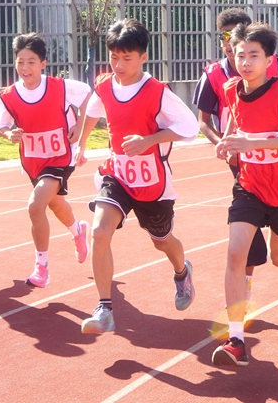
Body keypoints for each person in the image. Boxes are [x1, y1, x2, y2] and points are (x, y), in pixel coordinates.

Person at [74, 18, 199, 334]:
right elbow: (93, 107)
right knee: (100, 232)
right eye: (114, 57)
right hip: (117, 174)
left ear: (143, 57)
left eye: (126, 58)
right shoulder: (104, 85)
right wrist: (81, 142)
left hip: (152, 183)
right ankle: (104, 309)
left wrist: (149, 140)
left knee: (163, 242)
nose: (118, 64)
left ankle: (182, 272)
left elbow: (189, 127)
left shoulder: (157, 92)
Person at [212, 22, 278, 367]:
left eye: (253, 56)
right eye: (240, 55)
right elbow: (235, 126)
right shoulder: (231, 89)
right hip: (251, 186)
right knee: (235, 255)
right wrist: (227, 145)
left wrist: (254, 143)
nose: (245, 62)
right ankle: (236, 339)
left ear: (269, 59)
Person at [193, 8, 278, 305]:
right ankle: (244, 283)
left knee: (277, 234)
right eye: (224, 35)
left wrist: (275, 143)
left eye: (234, 33)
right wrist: (223, 145)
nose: (228, 41)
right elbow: (203, 121)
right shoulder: (214, 75)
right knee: (244, 221)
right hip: (241, 160)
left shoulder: (277, 70)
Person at [0, 33, 92, 287]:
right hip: (33, 160)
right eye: (20, 61)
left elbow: (90, 96)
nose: (25, 67)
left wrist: (79, 126)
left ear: (43, 63)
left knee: (35, 206)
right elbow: (0, 125)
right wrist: (7, 133)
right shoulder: (9, 95)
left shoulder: (61, 86)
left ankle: (42, 267)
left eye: (31, 62)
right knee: (56, 205)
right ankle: (78, 231)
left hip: (60, 156)